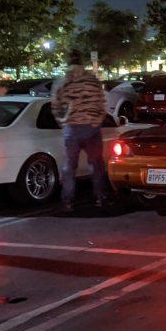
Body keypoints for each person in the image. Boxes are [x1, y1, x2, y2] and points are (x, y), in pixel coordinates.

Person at [52, 50, 110, 212]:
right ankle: (100, 197)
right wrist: (97, 120)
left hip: (72, 129)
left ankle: (68, 201)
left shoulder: (62, 82)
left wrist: (63, 122)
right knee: (96, 164)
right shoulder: (92, 81)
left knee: (69, 166)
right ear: (82, 63)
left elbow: (55, 106)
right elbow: (102, 103)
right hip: (92, 128)